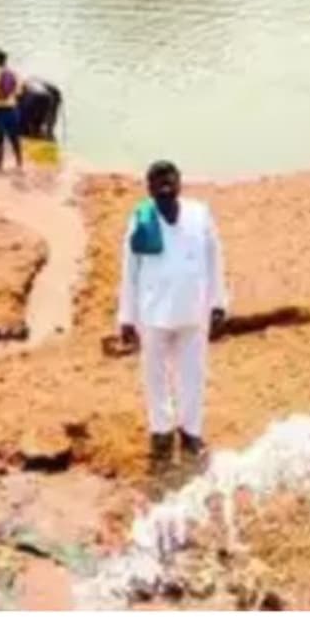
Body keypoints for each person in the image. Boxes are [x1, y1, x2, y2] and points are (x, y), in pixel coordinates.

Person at [117, 160, 228, 464]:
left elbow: (215, 259)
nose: (165, 187)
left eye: (170, 181)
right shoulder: (142, 218)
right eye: (158, 183)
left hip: (194, 309)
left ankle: (191, 431)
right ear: (149, 189)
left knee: (193, 374)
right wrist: (126, 317)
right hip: (152, 313)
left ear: (180, 183)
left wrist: (218, 302)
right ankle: (161, 431)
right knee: (154, 376)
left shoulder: (199, 214)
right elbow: (130, 270)